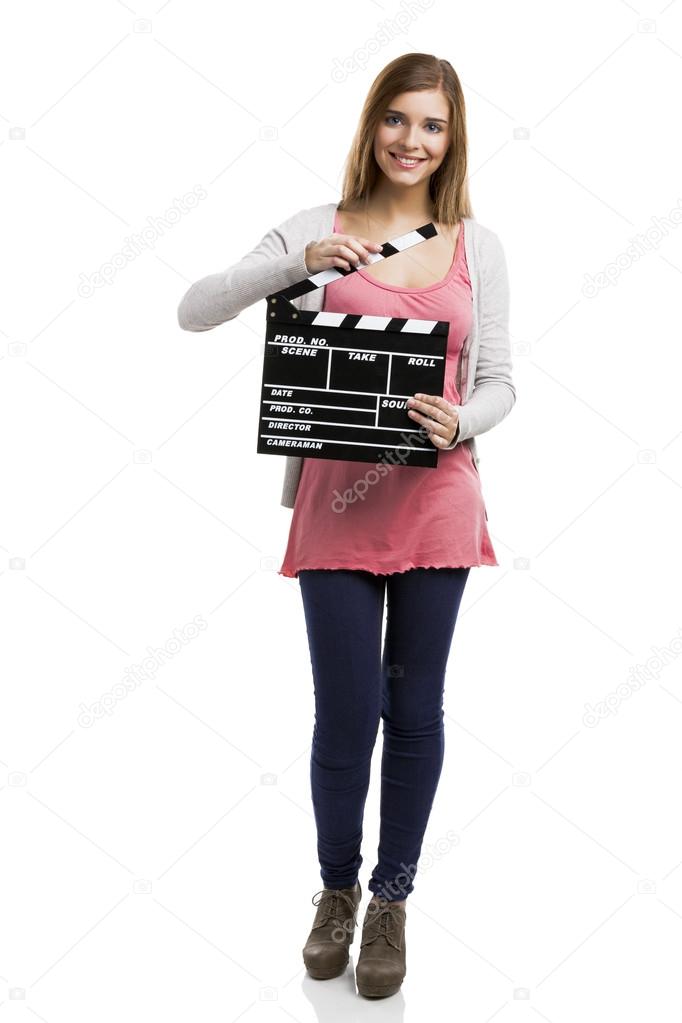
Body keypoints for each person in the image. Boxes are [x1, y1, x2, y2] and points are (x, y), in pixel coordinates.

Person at [177, 52, 516, 1000]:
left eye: (434, 125)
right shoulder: (314, 227)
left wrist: (465, 419)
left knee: (414, 712)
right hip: (336, 508)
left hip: (438, 500)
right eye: (398, 120)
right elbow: (192, 310)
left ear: (453, 138)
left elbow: (501, 380)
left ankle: (391, 900)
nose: (413, 141)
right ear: (372, 126)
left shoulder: (475, 246)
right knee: (346, 711)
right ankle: (333, 890)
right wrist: (296, 266)